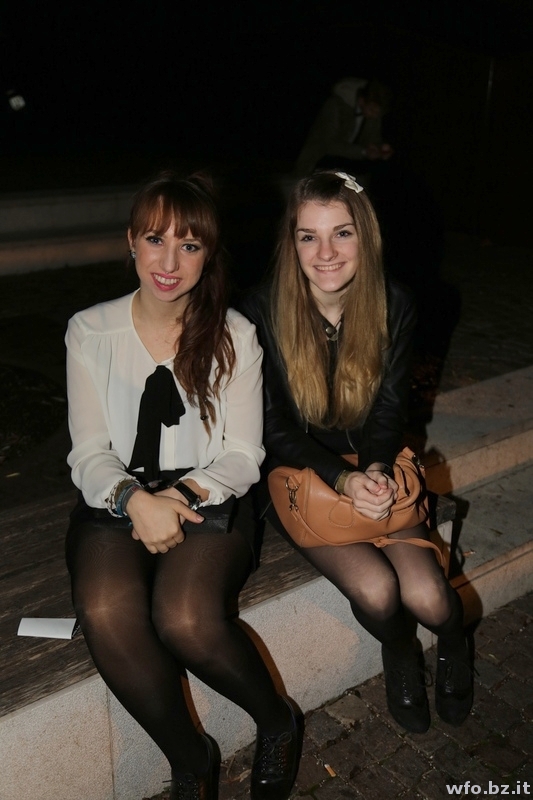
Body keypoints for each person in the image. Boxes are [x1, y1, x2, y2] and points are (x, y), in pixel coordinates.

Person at [64, 172, 302, 800]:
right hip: (116, 495)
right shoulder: (89, 330)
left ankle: (276, 719)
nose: (169, 263)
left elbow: (244, 454)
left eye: (189, 245)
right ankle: (191, 757)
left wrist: (181, 497)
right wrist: (134, 500)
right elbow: (88, 452)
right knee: (104, 611)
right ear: (131, 242)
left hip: (210, 495)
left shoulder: (235, 335)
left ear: (208, 253)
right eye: (155, 240)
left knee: (185, 619)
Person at [240, 170, 473, 734]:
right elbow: (272, 427)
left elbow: (390, 409)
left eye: (341, 233)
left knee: (430, 597)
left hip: (374, 458)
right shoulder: (259, 310)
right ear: (292, 242)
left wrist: (374, 468)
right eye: (309, 236)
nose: (325, 253)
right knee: (377, 590)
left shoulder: (394, 302)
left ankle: (453, 643)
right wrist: (342, 480)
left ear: (365, 236)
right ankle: (400, 652)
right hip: (300, 472)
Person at [294, 78, 393, 178]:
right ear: (362, 100)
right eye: (372, 110)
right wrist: (363, 152)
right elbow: (329, 144)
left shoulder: (373, 113)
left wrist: (380, 148)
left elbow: (372, 139)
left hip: (345, 168)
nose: (374, 115)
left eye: (378, 113)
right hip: (315, 165)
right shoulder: (335, 105)